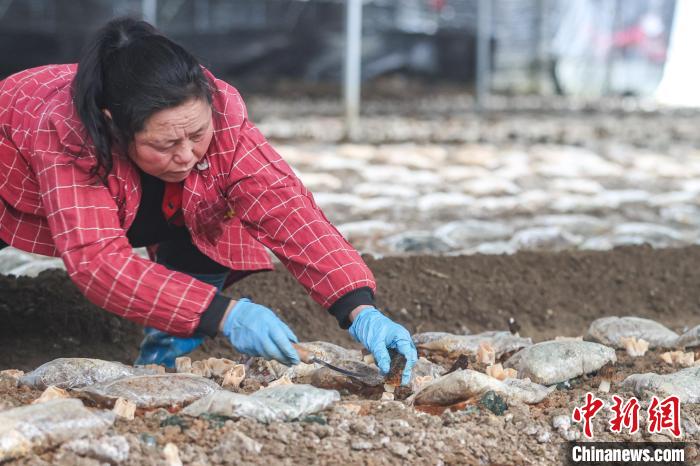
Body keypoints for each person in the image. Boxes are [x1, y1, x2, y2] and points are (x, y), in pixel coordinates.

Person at [0, 18, 417, 384]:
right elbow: (97, 260)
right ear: (115, 126)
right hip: (13, 189)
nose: (186, 154)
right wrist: (226, 315)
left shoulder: (221, 112)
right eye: (165, 143)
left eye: (197, 135)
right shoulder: (66, 132)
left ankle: (162, 363)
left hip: (152, 204)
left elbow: (284, 206)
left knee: (215, 211)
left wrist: (359, 306)